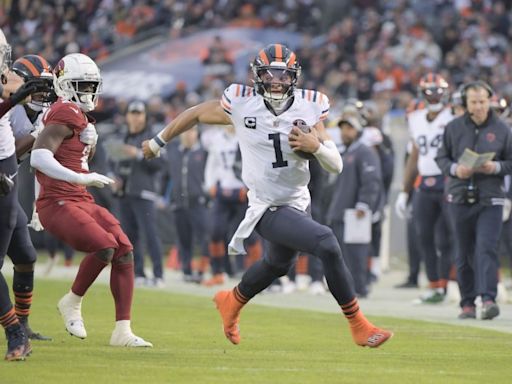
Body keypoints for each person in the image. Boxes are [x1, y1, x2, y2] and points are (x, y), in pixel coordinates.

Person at [143, 44, 392, 348]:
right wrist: (158, 142)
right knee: (326, 242)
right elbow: (195, 114)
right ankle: (358, 325)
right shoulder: (241, 103)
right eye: (270, 75)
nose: (276, 81)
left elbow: (336, 165)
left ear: (294, 77)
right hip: (266, 205)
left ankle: (231, 301)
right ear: (257, 77)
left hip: (298, 201)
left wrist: (316, 147)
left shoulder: (310, 107)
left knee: (277, 264)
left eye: (283, 75)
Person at [30, 53, 152, 347]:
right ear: (63, 85)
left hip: (78, 197)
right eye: (81, 86)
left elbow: (71, 158)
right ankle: (71, 301)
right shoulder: (65, 112)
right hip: (59, 200)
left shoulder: (77, 115)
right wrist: (81, 178)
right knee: (105, 246)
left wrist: (89, 148)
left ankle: (122, 331)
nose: (88, 92)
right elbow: (39, 156)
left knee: (124, 249)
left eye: (91, 86)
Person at [435, 81, 512, 320]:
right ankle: (467, 303)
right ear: (466, 103)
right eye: (473, 102)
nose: (478, 106)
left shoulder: (503, 129)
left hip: (491, 197)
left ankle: (488, 299)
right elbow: (442, 157)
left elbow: (510, 161)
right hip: (459, 196)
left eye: (482, 101)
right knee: (463, 251)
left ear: (489, 101)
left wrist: (495, 167)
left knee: (487, 248)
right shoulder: (454, 127)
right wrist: (456, 169)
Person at [0, 27, 52, 361]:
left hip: (6, 171)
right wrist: (14, 101)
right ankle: (15, 334)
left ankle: (22, 326)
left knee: (25, 254)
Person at [395, 73, 455, 304]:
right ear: (422, 94)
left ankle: (454, 284)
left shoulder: (454, 115)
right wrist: (404, 190)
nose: (434, 96)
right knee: (424, 236)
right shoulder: (416, 117)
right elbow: (414, 156)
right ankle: (434, 286)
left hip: (448, 180)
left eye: (438, 91)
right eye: (430, 92)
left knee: (449, 237)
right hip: (424, 184)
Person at [111, 100, 165, 288]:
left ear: (144, 116)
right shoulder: (122, 136)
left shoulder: (152, 137)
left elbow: (160, 165)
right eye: (132, 113)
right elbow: (115, 162)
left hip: (145, 192)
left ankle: (158, 274)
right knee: (130, 236)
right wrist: (114, 179)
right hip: (125, 192)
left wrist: (138, 154)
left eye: (138, 113)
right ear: (127, 116)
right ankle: (139, 272)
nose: (135, 117)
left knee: (150, 234)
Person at [327, 116, 382, 298]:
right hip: (341, 211)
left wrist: (364, 204)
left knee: (356, 252)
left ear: (358, 131)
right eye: (343, 128)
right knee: (342, 253)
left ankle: (360, 287)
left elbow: (371, 181)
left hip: (355, 212)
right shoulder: (347, 152)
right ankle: (348, 287)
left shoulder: (364, 152)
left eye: (349, 128)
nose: (345, 132)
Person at [166, 127, 210, 283]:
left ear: (197, 133)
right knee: (184, 239)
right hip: (179, 202)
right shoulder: (173, 152)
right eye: (186, 131)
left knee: (204, 237)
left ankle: (201, 269)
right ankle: (187, 270)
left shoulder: (204, 153)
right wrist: (167, 198)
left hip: (198, 203)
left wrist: (207, 196)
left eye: (191, 131)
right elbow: (167, 175)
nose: (188, 134)